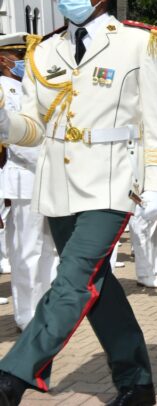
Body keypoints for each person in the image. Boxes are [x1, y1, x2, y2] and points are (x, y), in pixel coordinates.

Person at [0, 0, 157, 404]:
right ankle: (136, 383)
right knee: (96, 284)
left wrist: (156, 187)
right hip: (57, 187)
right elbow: (35, 130)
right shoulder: (43, 54)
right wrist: (4, 123)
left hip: (113, 181)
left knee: (74, 278)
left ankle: (13, 375)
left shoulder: (139, 43)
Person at [0, 33, 59, 330]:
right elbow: (14, 137)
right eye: (19, 55)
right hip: (24, 177)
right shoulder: (2, 89)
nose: (25, 60)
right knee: (26, 249)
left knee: (47, 247)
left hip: (46, 176)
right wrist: (47, 164)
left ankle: (45, 308)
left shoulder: (31, 87)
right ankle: (26, 315)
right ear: (4, 58)